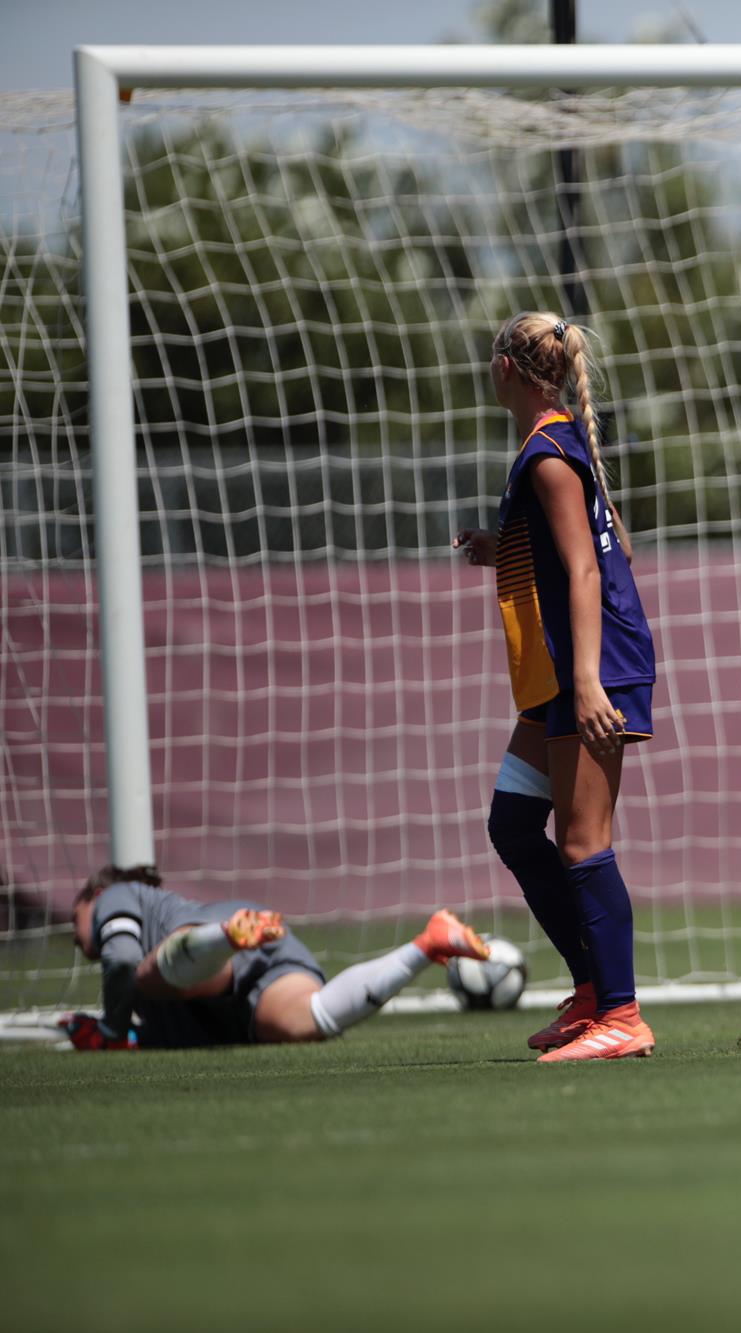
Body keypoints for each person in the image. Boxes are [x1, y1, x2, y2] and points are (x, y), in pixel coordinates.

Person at [453, 312, 661, 1062]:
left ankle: (622, 1013)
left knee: (581, 843)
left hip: (590, 667)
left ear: (508, 368)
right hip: (563, 667)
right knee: (513, 823)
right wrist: (500, 547)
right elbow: (581, 547)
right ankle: (590, 989)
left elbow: (585, 569)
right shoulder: (551, 443)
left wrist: (584, 684)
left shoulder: (547, 453)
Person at [64, 864, 488, 1049]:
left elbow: (120, 960)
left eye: (75, 917)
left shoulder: (115, 897)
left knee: (142, 975)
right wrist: (130, 1039)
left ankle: (225, 939)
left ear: (94, 897)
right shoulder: (149, 1009)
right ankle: (428, 944)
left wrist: (111, 1032)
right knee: (312, 1018)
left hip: (209, 938)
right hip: (250, 984)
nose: (73, 932)